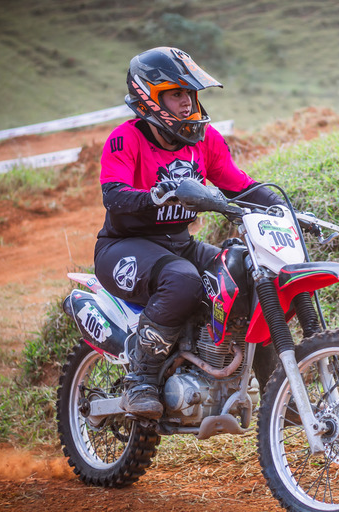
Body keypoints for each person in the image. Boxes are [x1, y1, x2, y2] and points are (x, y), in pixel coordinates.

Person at [94, 47, 281, 420]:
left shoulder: (206, 140)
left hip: (180, 245)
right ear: (150, 96)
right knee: (183, 279)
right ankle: (140, 381)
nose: (187, 102)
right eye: (177, 93)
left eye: (191, 94)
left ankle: (278, 391)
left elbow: (239, 186)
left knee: (247, 272)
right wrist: (154, 196)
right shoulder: (125, 139)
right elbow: (112, 194)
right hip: (124, 247)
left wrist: (282, 208)